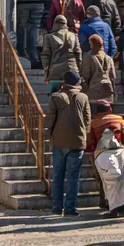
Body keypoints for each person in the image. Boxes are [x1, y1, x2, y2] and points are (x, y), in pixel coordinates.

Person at [86, 101, 124, 217]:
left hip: (103, 155)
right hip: (120, 152)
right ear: (110, 109)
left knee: (109, 182)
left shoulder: (93, 123)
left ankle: (113, 208)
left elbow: (90, 143)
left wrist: (92, 157)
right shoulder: (119, 119)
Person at [47, 70, 90, 217]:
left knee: (58, 175)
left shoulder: (56, 97)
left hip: (59, 141)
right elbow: (87, 120)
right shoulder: (83, 97)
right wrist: (84, 136)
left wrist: (49, 135)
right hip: (77, 142)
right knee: (73, 176)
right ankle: (70, 208)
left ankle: (56, 207)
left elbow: (50, 120)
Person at [80, 32, 117, 103]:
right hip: (107, 91)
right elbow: (113, 76)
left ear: (92, 44)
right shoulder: (108, 58)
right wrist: (114, 91)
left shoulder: (88, 57)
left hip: (93, 92)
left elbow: (86, 75)